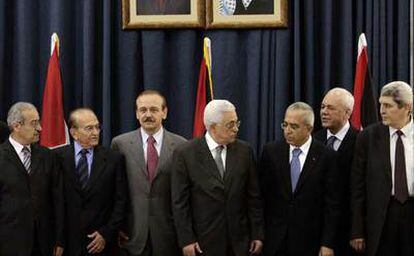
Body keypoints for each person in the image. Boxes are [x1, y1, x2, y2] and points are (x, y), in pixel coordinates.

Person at [172, 99, 264, 256]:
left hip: (240, 242)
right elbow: (180, 203)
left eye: (237, 123)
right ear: (213, 127)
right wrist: (186, 239)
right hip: (203, 242)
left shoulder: (245, 151)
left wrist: (257, 234)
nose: (235, 129)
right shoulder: (185, 154)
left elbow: (253, 197)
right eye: (230, 124)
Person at [111, 90, 186, 256]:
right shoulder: (120, 144)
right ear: (137, 114)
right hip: (132, 234)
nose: (148, 115)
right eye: (143, 110)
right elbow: (114, 191)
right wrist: (117, 226)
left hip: (169, 235)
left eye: (154, 109)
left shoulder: (182, 146)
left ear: (164, 112)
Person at [260, 102, 340, 256]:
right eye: (285, 125)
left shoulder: (327, 156)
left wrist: (327, 243)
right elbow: (261, 197)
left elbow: (332, 205)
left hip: (310, 241)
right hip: (274, 240)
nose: (287, 131)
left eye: (294, 127)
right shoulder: (271, 152)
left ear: (309, 128)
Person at [350, 81, 413, 256]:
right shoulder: (368, 137)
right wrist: (357, 229)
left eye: (388, 106)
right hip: (382, 217)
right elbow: (357, 187)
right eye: (381, 104)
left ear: (406, 107)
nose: (381, 111)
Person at [55, 108, 127, 256]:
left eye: (97, 127)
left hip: (103, 243)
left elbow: (121, 201)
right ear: (74, 132)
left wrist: (106, 233)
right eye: (89, 128)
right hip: (69, 244)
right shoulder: (56, 158)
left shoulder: (114, 159)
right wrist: (58, 240)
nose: (95, 132)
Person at [0, 102, 64, 256]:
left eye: (39, 122)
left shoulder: (48, 156)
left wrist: (60, 239)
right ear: (16, 126)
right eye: (34, 123)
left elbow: (58, 200)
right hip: (8, 243)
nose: (40, 129)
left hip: (44, 243)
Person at [314, 88, 359, 256]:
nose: (324, 112)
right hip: (316, 230)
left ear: (347, 112)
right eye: (323, 107)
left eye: (331, 108)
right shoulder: (314, 140)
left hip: (347, 232)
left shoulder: (361, 141)